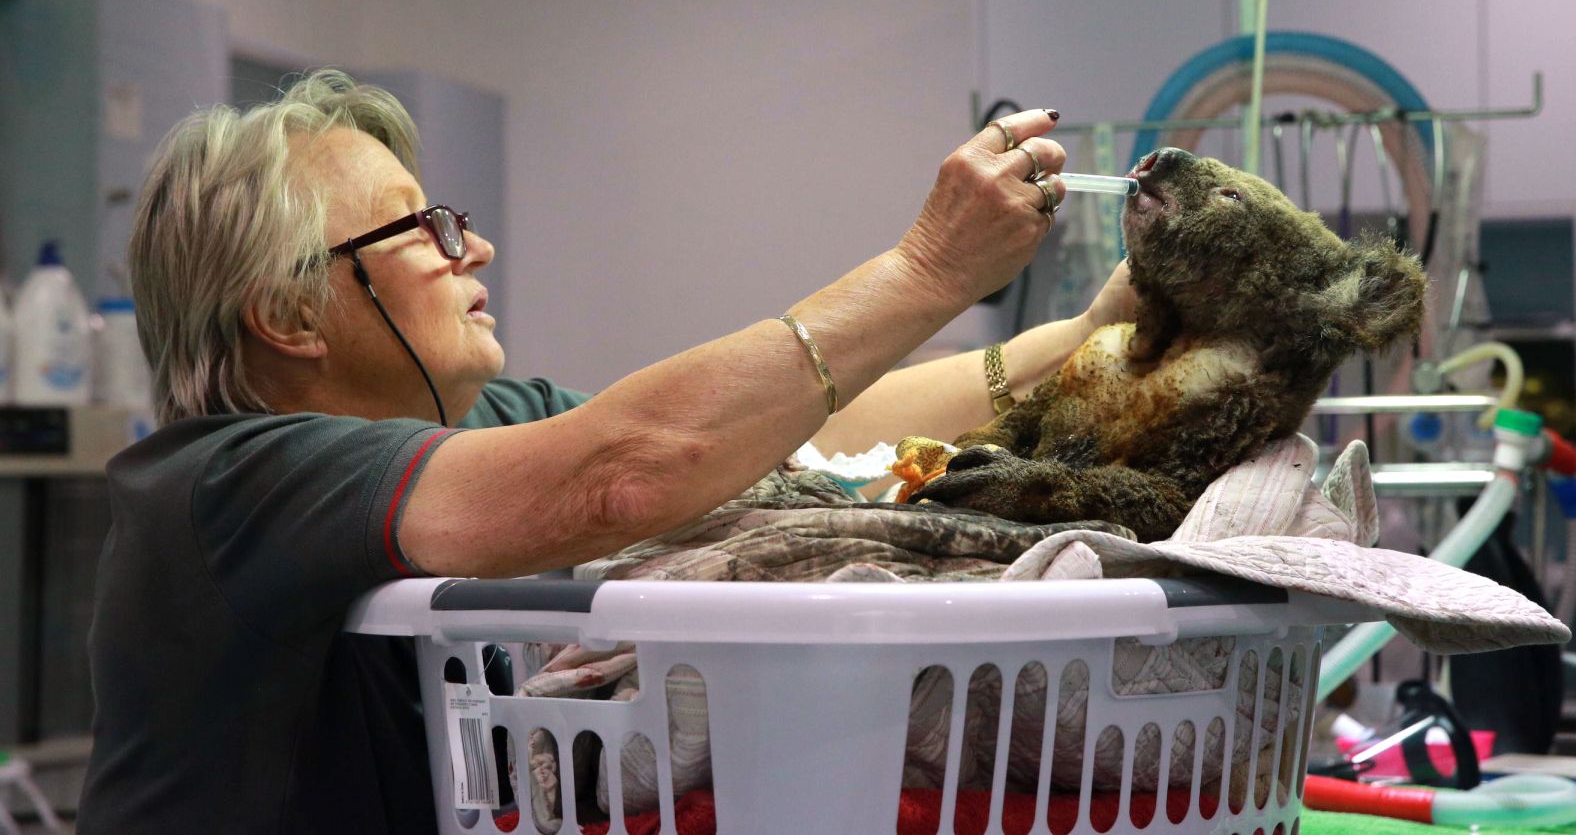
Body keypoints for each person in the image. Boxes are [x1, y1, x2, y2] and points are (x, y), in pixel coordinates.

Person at [78, 70, 1134, 833]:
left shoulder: (462, 435)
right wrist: (928, 268)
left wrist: (1089, 334)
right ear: (289, 313)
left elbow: (800, 435)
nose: (473, 247)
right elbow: (628, 469)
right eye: (420, 229)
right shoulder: (224, 482)